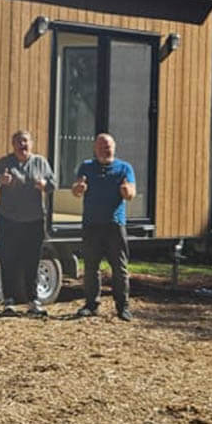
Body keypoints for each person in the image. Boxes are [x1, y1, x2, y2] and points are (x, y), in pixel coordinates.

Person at [0, 129, 55, 316]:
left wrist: (44, 185)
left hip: (34, 220)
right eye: (18, 142)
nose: (22, 145)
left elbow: (53, 184)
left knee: (32, 261)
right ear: (13, 145)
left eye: (25, 141)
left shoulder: (40, 162)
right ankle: (9, 301)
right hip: (8, 219)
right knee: (8, 259)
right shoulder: (4, 162)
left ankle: (33, 301)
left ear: (31, 144)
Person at [71, 133, 137, 321]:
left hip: (114, 225)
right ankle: (91, 305)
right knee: (91, 267)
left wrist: (126, 191)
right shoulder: (86, 167)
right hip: (91, 225)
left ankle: (123, 307)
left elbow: (131, 193)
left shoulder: (124, 168)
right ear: (95, 148)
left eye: (107, 146)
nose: (104, 150)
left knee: (120, 268)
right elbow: (76, 190)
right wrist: (78, 189)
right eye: (100, 146)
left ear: (114, 148)